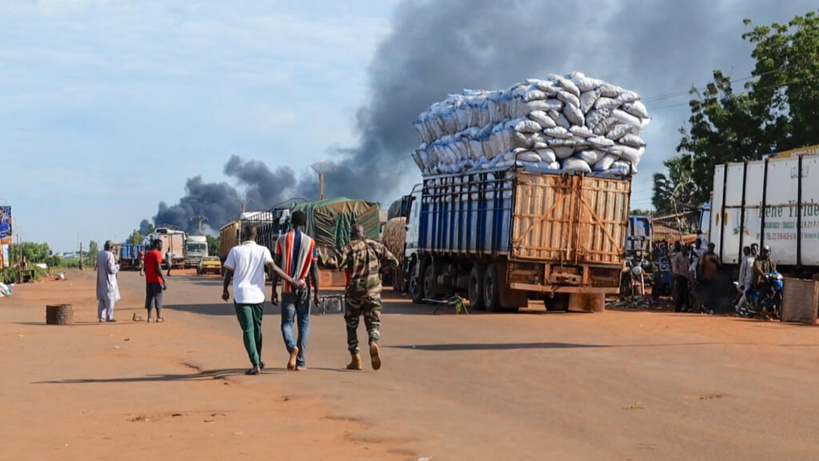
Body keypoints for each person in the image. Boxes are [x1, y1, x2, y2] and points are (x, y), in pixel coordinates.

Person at [223, 225, 303, 376]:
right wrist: (291, 280)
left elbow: (228, 273)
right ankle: (258, 360)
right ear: (256, 236)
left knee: (248, 330)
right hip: (258, 297)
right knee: (257, 330)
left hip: (241, 297)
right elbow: (274, 269)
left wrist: (225, 290)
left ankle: (255, 363)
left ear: (243, 236)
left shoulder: (235, 251)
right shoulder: (263, 250)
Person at [336, 224, 399, 371]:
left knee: (352, 324)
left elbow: (336, 262)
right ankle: (373, 342)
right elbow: (394, 262)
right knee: (373, 323)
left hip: (354, 293)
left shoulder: (349, 247)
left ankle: (355, 358)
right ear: (364, 233)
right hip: (373, 292)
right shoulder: (376, 246)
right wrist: (380, 271)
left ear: (352, 235)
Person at [272, 210, 320, 371]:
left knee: (286, 323)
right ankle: (301, 362)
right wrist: (317, 293)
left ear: (291, 223)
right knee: (304, 324)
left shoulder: (281, 240)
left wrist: (273, 289)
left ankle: (292, 347)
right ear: (304, 224)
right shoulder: (311, 242)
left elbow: (276, 266)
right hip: (304, 288)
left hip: (287, 288)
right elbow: (314, 268)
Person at [96, 241, 121, 322]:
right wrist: (117, 266)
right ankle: (109, 316)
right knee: (110, 298)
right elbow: (111, 269)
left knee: (102, 298)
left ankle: (101, 316)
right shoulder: (109, 255)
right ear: (111, 247)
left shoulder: (100, 254)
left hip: (101, 279)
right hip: (109, 280)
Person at [144, 239, 167, 322]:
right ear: (157, 245)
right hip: (157, 280)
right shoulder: (157, 254)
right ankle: (159, 317)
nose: (162, 246)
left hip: (148, 280)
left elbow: (145, 268)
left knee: (149, 297)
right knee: (158, 297)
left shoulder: (147, 254)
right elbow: (158, 267)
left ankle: (149, 317)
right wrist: (163, 280)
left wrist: (148, 276)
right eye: (161, 245)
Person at [698, 243, 722, 313]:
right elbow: (700, 266)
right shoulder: (704, 255)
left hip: (714, 277)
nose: (711, 248)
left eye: (712, 247)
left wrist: (715, 262)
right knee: (706, 293)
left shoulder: (716, 256)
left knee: (712, 293)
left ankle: (710, 307)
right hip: (706, 277)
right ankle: (705, 306)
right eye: (710, 247)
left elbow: (720, 266)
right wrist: (702, 276)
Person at [735, 246, 756, 313]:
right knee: (745, 296)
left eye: (754, 249)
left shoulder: (757, 259)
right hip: (747, 282)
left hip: (754, 282)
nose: (753, 251)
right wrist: (741, 283)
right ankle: (738, 310)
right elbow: (742, 272)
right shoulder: (746, 260)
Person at [671, 242, 689, 312]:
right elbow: (674, 265)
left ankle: (684, 307)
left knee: (684, 292)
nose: (685, 250)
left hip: (685, 276)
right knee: (679, 292)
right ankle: (678, 308)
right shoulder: (678, 255)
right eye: (684, 249)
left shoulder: (686, 257)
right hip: (678, 276)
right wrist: (676, 273)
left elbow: (687, 267)